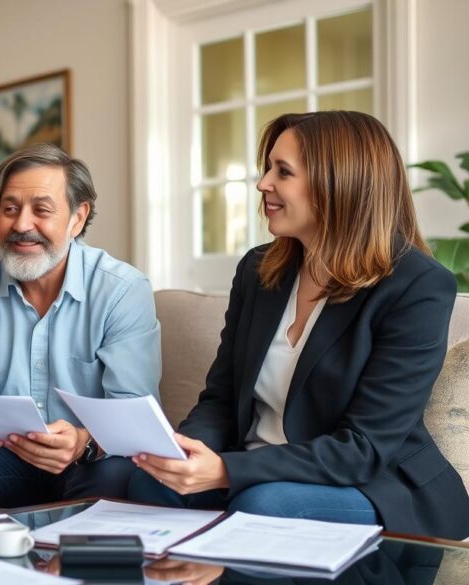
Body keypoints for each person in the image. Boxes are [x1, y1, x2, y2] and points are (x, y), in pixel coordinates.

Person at [128, 111, 469, 539]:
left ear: (337, 185)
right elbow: (222, 396)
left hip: (371, 481)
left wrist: (226, 471)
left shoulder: (416, 286)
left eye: (282, 172)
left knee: (264, 504)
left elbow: (364, 448)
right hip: (257, 469)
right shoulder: (258, 270)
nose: (263, 184)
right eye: (268, 168)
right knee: (147, 481)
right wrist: (186, 450)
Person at [0, 143, 161, 516]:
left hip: (89, 459)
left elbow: (133, 410)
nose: (22, 225)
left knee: (122, 476)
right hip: (4, 454)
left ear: (77, 218)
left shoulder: (122, 289)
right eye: (10, 209)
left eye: (41, 210)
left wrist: (83, 442)